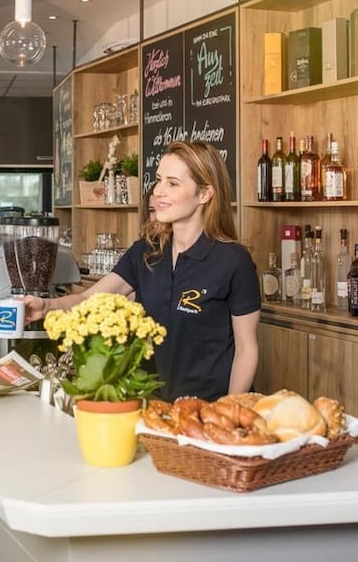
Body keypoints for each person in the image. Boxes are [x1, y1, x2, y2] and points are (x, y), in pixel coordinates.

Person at [24, 140, 260, 401]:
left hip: (210, 409)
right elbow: (87, 300)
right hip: (154, 404)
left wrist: (231, 409)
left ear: (204, 194)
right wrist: (46, 307)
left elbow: (246, 349)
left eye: (172, 183)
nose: (158, 192)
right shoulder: (147, 252)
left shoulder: (233, 261)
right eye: (158, 180)